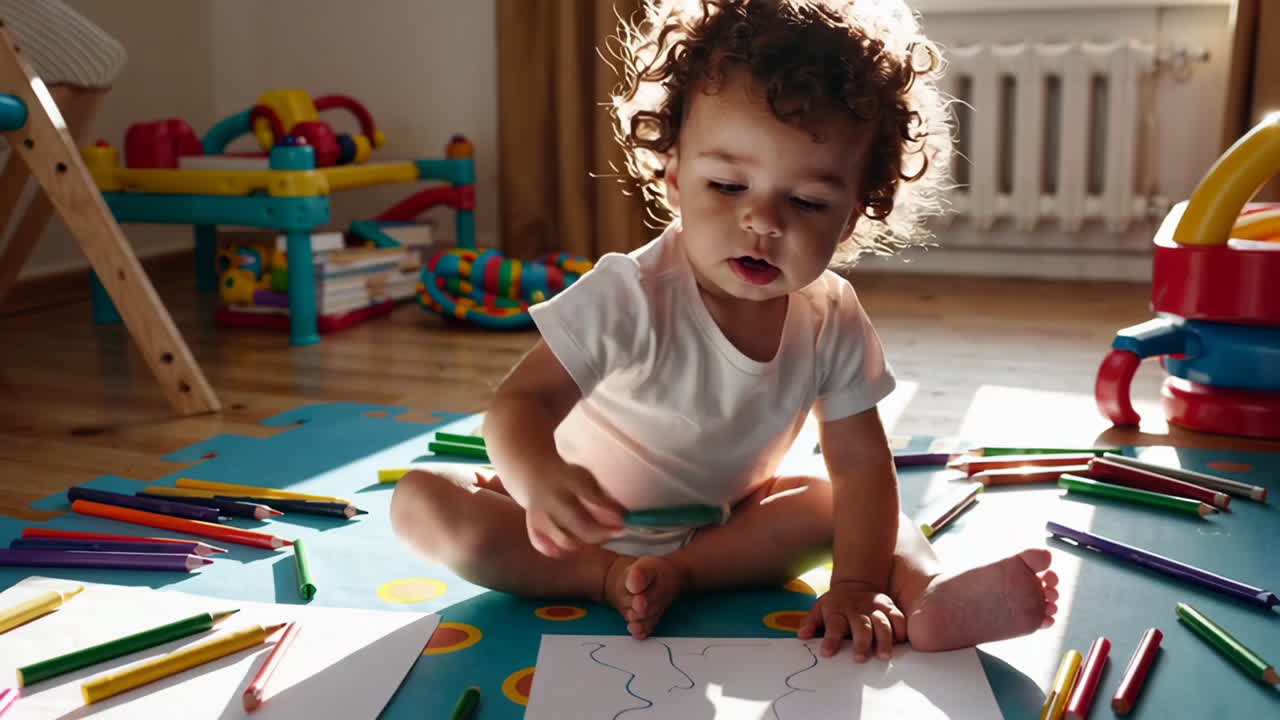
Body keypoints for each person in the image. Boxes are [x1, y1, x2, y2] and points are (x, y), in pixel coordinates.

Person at [391, 0, 1058, 663]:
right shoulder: (631, 294)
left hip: (727, 531)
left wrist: (852, 583)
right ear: (676, 178)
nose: (763, 221)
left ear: (851, 217)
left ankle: (927, 594)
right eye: (728, 184)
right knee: (422, 500)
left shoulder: (832, 315)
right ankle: (600, 579)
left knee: (847, 508)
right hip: (574, 529)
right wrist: (539, 480)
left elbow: (860, 462)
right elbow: (519, 405)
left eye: (806, 202)